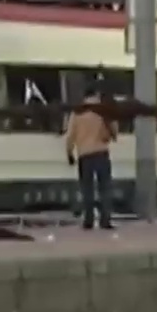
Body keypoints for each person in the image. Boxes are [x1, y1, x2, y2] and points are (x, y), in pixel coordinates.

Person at [64, 87, 116, 231]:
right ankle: (105, 220)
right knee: (105, 188)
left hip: (84, 155)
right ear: (96, 95)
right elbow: (113, 129)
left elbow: (70, 135)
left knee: (87, 189)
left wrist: (69, 153)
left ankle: (88, 221)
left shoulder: (77, 112)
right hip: (101, 153)